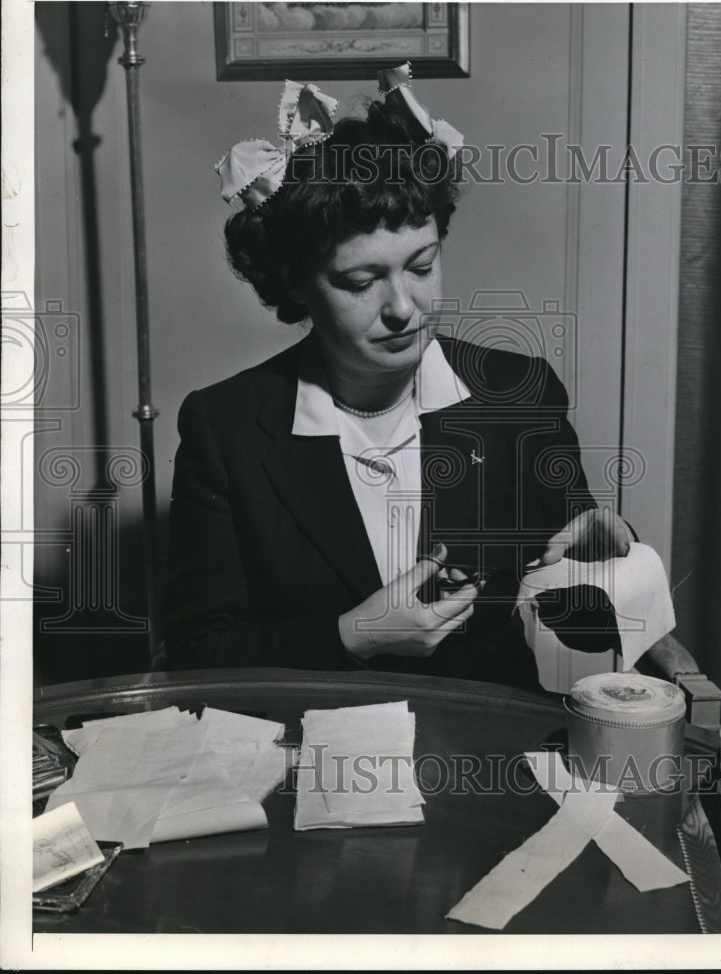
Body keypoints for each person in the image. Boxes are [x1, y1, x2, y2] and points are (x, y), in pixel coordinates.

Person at [164, 64, 634, 687]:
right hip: (305, 748)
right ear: (297, 285)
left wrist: (611, 557)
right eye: (361, 281)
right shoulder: (225, 429)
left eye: (422, 265)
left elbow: (587, 628)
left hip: (484, 746)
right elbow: (198, 654)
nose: (404, 309)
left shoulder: (517, 396)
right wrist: (353, 635)